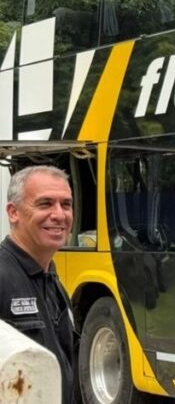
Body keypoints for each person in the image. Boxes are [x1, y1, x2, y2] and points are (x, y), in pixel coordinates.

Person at [0, 166, 75, 403]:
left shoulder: (51, 279)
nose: (59, 215)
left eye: (66, 204)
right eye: (45, 204)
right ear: (13, 212)